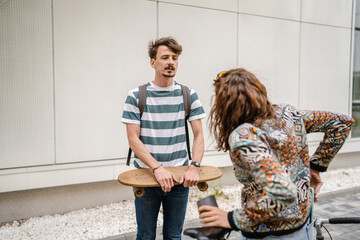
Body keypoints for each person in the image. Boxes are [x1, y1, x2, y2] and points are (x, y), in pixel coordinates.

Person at [199, 68, 354, 239]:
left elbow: (282, 191)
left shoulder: (243, 135)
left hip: (268, 233)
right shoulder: (289, 114)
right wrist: (316, 166)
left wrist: (232, 218)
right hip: (304, 227)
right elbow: (341, 123)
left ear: (225, 105)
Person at [121, 37, 206, 240]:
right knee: (146, 236)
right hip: (147, 177)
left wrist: (194, 166)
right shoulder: (136, 96)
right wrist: (158, 169)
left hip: (179, 178)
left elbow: (199, 135)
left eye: (174, 58)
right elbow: (133, 139)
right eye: (165, 57)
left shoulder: (188, 95)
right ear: (153, 62)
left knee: (174, 236)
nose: (171, 62)